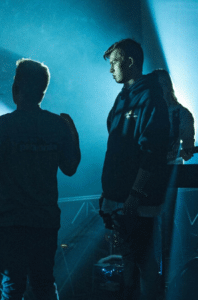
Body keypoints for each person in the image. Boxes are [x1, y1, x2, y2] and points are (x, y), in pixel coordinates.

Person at [0, 58, 81, 300]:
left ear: (15, 89)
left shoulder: (2, 127)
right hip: (45, 220)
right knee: (44, 283)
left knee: (12, 287)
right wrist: (73, 134)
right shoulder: (57, 125)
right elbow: (70, 168)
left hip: (10, 223)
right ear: (43, 91)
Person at [100, 39, 170, 300]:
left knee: (142, 259)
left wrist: (135, 194)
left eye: (114, 63)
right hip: (121, 199)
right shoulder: (124, 97)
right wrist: (110, 195)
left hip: (136, 202)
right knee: (130, 258)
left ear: (130, 62)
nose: (111, 70)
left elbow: (152, 152)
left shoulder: (150, 97)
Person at [151, 69, 195, 286]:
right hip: (147, 177)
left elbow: (187, 147)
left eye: (160, 84)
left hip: (170, 178)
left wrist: (187, 150)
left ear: (168, 86)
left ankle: (169, 278)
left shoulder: (182, 114)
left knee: (168, 228)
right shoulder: (143, 112)